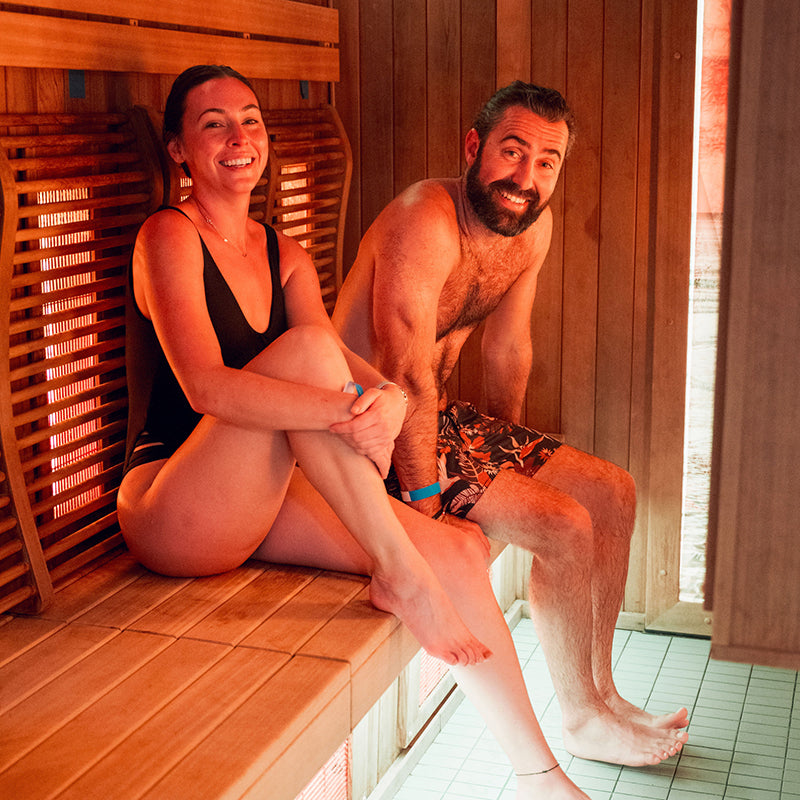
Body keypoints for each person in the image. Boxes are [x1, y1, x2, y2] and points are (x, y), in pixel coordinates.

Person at [118, 64, 598, 798]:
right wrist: (349, 409)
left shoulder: (285, 255)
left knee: (462, 548)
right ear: (180, 149)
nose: (238, 137)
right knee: (318, 365)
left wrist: (383, 400)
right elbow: (205, 386)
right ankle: (400, 576)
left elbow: (338, 366)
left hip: (260, 498)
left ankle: (542, 777)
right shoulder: (167, 236)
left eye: (250, 119)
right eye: (213, 123)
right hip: (172, 506)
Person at [333, 80, 690, 768]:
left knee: (612, 492)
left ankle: (602, 693)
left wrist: (514, 458)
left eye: (546, 162)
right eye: (512, 152)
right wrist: (427, 506)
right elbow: (403, 374)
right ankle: (581, 719)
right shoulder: (422, 223)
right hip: (367, 434)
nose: (526, 179)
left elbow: (508, 346)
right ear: (475, 147)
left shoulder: (531, 225)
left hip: (439, 419)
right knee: (564, 525)